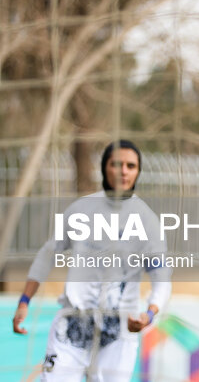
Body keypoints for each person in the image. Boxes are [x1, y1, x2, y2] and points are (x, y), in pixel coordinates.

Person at [12, 140, 172, 382]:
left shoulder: (147, 222)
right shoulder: (81, 211)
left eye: (131, 165)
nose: (123, 171)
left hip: (118, 335)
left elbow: (162, 280)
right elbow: (47, 254)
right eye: (116, 164)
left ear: (138, 171)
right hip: (72, 329)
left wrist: (149, 315)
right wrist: (25, 300)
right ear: (104, 168)